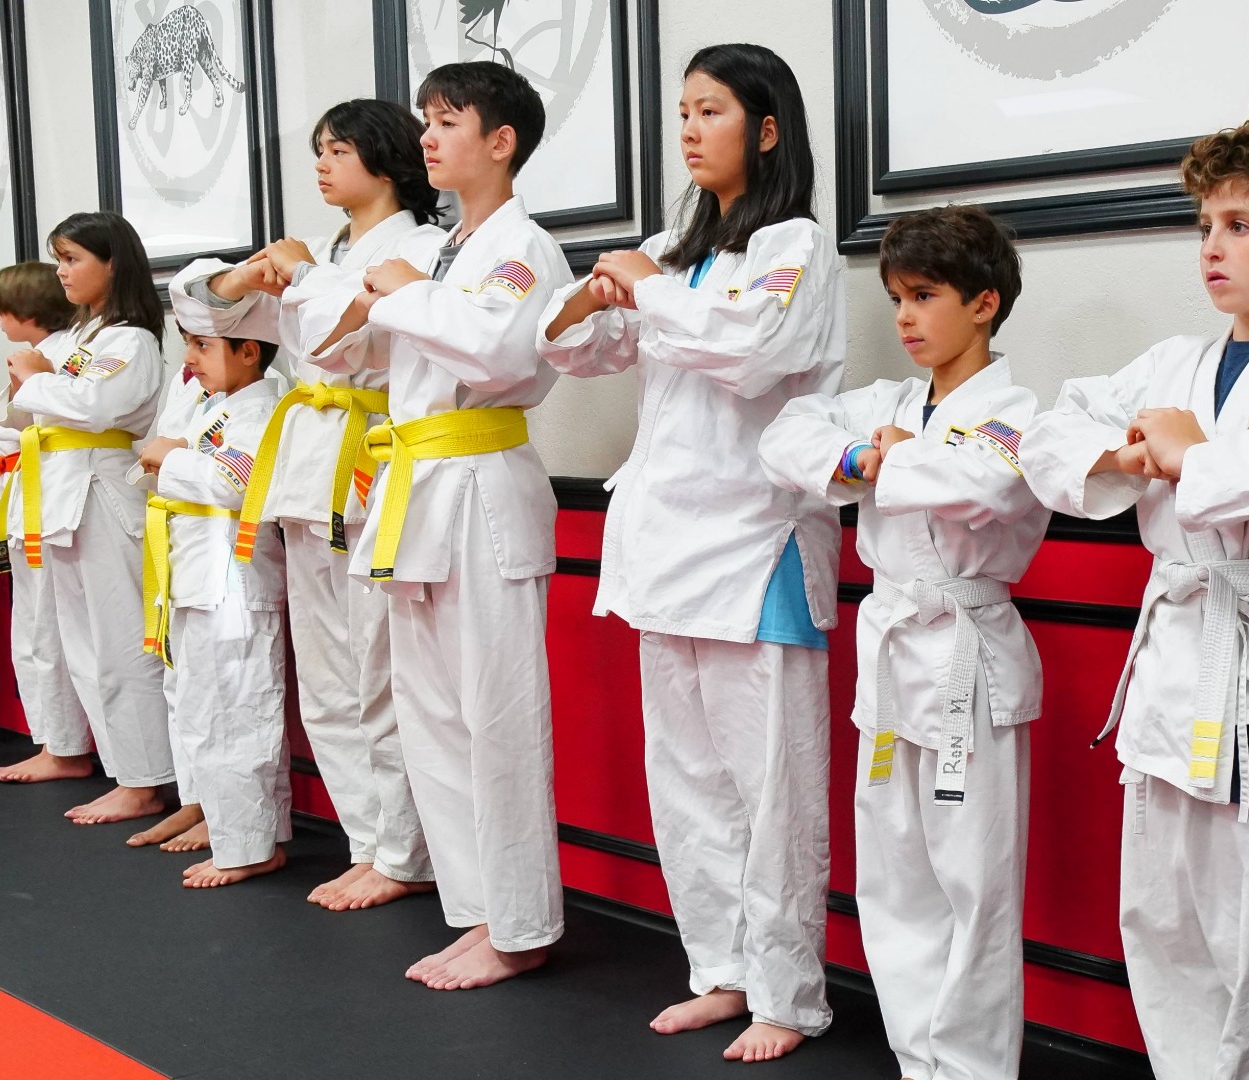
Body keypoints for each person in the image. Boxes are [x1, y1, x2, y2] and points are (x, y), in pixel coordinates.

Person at [1024, 117, 1249, 1079]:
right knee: (1161, 920)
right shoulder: (1171, 363)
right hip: (1174, 658)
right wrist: (1124, 454)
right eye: (1205, 226)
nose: (1213, 248)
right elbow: (1053, 431)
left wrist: (1195, 457)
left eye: (1239, 225)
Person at [537, 42, 844, 1064]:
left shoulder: (795, 244)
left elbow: (755, 351)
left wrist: (647, 286)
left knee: (772, 790)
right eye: (682, 111)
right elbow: (579, 349)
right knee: (687, 782)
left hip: (755, 547)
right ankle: (720, 969)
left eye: (709, 110)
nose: (688, 129)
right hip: (664, 544)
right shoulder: (682, 246)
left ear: (765, 127)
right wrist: (590, 296)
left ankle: (789, 995)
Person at [294, 60, 567, 990]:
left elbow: (497, 349)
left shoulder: (525, 245)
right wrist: (368, 297)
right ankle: (481, 909)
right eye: (425, 122)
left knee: (496, 716)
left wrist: (401, 288)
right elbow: (356, 344)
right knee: (433, 718)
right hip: (415, 485)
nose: (427, 138)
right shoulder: (449, 252)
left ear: (502, 141)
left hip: (482, 487)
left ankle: (524, 924)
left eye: (448, 121)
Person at [760, 204, 1045, 1080]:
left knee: (974, 883)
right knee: (892, 872)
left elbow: (983, 485)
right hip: (889, 653)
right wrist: (858, 459)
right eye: (895, 299)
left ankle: (971, 1067)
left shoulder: (1019, 411)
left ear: (985, 303)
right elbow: (784, 437)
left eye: (925, 296)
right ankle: (916, 1054)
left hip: (968, 657)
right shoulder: (883, 404)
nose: (906, 319)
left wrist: (895, 457)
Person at [169, 97, 445, 911]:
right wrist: (254, 273)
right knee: (325, 681)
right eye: (318, 148)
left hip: (372, 464)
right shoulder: (313, 251)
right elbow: (203, 308)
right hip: (302, 470)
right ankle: (367, 843)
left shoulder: (426, 246)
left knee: (378, 675)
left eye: (337, 150)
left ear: (386, 162)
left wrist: (306, 275)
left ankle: (403, 851)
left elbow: (363, 332)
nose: (321, 163)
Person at [0, 213, 171, 825]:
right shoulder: (75, 339)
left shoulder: (133, 340)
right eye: (58, 258)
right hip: (59, 496)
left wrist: (39, 385)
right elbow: (8, 416)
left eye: (72, 258)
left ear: (113, 264)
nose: (61, 272)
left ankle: (148, 778)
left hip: (104, 492)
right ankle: (122, 768)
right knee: (82, 646)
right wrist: (39, 389)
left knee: (122, 641)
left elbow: (97, 404)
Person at [136, 323, 290, 887]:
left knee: (240, 710)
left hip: (235, 574)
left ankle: (251, 845)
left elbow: (239, 483)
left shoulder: (266, 407)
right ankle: (234, 829)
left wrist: (171, 460)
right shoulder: (219, 406)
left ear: (249, 351)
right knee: (205, 711)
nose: (190, 357)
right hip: (196, 569)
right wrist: (167, 458)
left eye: (203, 345)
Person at [0, 264, 93, 779]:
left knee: (49, 629)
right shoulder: (42, 355)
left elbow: (28, 427)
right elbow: (5, 426)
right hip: (27, 493)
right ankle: (50, 740)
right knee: (32, 628)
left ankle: (65, 748)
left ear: (26, 312)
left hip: (54, 496)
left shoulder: (62, 354)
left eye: (1, 309)